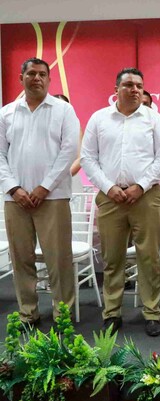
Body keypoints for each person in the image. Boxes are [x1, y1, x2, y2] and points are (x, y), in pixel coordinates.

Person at [81, 67, 160, 337]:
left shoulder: (153, 119)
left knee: (149, 257)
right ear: (116, 90)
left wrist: (140, 186)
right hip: (110, 198)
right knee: (112, 258)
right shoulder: (99, 119)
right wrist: (109, 187)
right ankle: (112, 313)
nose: (135, 90)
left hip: (145, 196)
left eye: (139, 86)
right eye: (129, 85)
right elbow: (88, 158)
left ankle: (152, 312)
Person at [0, 58, 79, 325]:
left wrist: (44, 187)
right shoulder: (7, 112)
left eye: (42, 74)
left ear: (49, 78)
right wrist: (14, 188)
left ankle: (63, 316)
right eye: (31, 73)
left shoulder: (63, 111)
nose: (37, 78)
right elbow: (0, 155)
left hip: (53, 198)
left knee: (59, 261)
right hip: (16, 199)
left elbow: (68, 151)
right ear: (21, 77)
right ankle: (28, 313)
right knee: (21, 260)